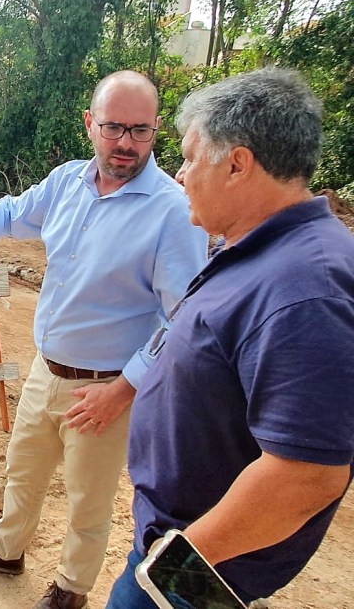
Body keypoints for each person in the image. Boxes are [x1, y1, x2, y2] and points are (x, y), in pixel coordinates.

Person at [0, 70, 208, 609]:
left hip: (107, 387)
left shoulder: (173, 211)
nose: (126, 143)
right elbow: (16, 212)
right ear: (91, 124)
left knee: (88, 501)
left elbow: (182, 317)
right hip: (48, 368)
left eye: (140, 130)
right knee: (24, 467)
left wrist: (125, 388)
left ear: (156, 129)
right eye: (114, 128)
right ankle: (7, 547)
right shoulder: (68, 182)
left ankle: (71, 589)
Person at [107, 68, 354, 607]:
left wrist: (177, 563)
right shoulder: (258, 250)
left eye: (192, 157)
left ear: (238, 164)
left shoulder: (306, 288)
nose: (180, 173)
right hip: (183, 551)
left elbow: (308, 475)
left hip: (197, 574)